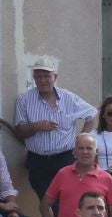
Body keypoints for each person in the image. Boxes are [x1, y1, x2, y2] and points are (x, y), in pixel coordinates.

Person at [10, 64, 96, 201]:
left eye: (46, 76)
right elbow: (20, 131)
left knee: (69, 198)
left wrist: (80, 140)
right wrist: (36, 126)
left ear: (55, 77)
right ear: (34, 78)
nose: (42, 80)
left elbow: (92, 115)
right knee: (46, 201)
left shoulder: (68, 98)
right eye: (38, 77)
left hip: (65, 159)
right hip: (38, 162)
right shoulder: (24, 100)